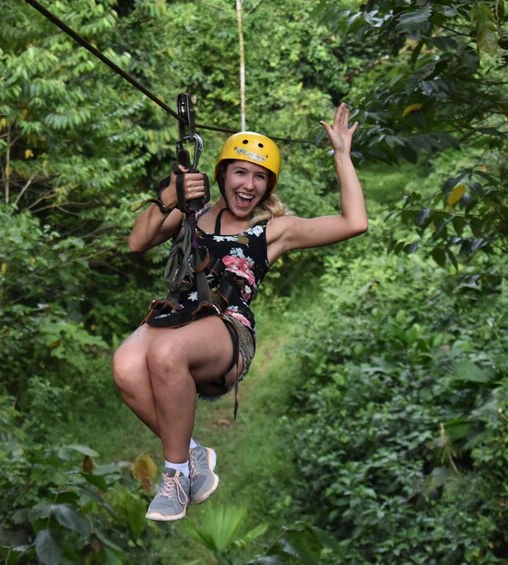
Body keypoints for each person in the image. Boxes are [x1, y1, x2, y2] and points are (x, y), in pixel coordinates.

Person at [112, 103, 368, 521]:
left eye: (260, 177)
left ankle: (175, 476)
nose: (249, 185)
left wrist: (341, 153)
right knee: (124, 365)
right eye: (241, 172)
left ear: (268, 187)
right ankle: (194, 455)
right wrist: (169, 198)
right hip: (176, 313)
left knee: (166, 355)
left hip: (226, 328)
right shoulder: (191, 212)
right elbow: (137, 243)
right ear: (222, 175)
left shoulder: (273, 231)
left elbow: (353, 222)